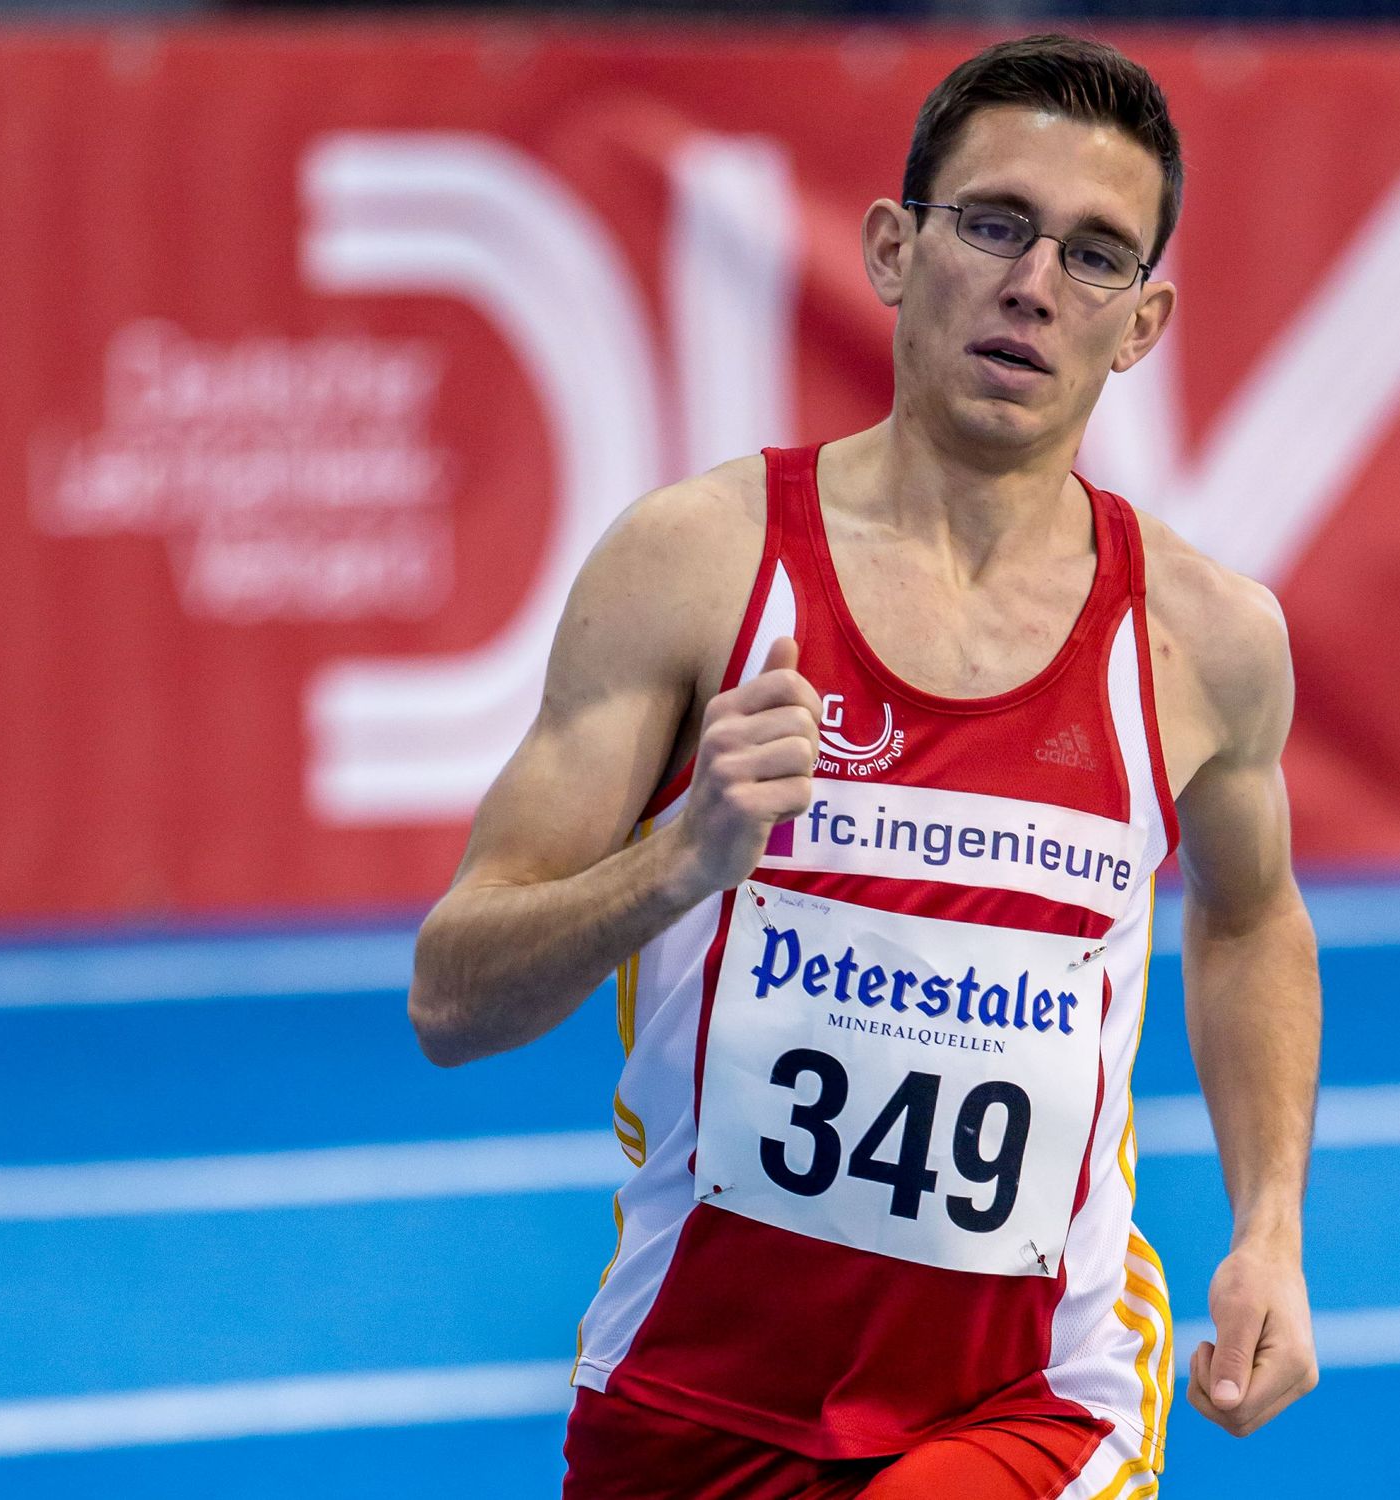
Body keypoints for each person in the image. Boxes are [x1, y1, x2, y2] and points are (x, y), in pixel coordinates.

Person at [408, 33, 1321, 1499]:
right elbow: (453, 1002)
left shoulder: (1202, 641)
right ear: (895, 248)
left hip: (1032, 1401)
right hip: (689, 1395)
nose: (1035, 285)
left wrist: (1269, 1230)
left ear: (1142, 323)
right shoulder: (697, 568)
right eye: (995, 224)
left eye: (1095, 256)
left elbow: (1252, 916)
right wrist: (680, 861)